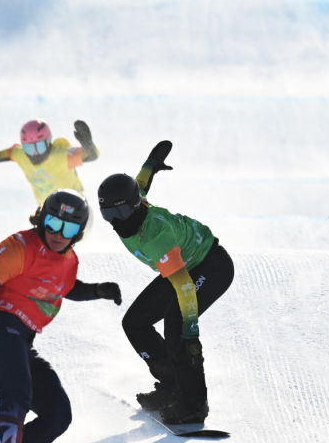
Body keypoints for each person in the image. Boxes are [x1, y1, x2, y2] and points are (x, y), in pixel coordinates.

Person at [0, 189, 121, 443]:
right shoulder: (20, 247)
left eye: (68, 229)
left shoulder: (69, 260)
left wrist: (97, 290)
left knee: (58, 412)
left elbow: (66, 287)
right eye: (52, 224)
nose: (58, 235)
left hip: (22, 340)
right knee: (16, 392)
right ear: (42, 219)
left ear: (79, 233)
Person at [97, 141, 235, 424]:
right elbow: (140, 184)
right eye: (109, 215)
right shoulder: (134, 204)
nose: (116, 222)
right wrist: (151, 163)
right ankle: (172, 386)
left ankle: (193, 405)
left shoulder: (156, 236)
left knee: (176, 324)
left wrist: (191, 332)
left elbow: (185, 287)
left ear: (135, 207)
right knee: (134, 322)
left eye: (120, 213)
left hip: (211, 265)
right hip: (181, 267)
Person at [0, 119, 100, 204]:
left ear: (48, 142)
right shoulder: (21, 155)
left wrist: (88, 144)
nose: (35, 153)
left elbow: (93, 155)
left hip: (75, 205)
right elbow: (9, 153)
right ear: (23, 146)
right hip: (46, 209)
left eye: (40, 147)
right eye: (29, 148)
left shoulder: (61, 156)